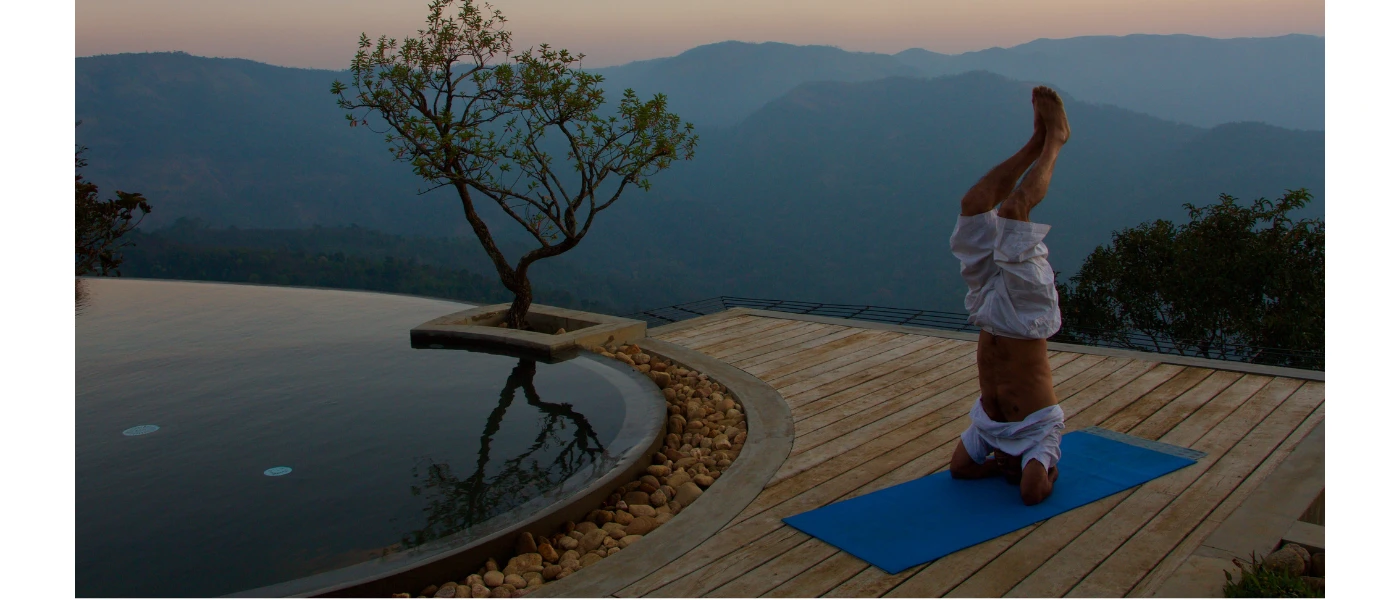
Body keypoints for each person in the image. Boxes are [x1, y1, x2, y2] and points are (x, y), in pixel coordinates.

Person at [946, 86, 1070, 506]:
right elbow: (1035, 488)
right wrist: (1034, 468)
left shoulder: (1011, 443)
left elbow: (966, 471)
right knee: (1012, 210)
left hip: (992, 408)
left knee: (975, 204)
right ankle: (1048, 141)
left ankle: (1044, 141)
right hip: (1024, 321)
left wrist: (997, 464)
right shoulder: (1044, 441)